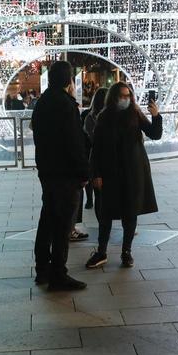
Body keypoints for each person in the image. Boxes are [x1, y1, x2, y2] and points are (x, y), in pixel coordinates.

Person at [85, 83, 163, 269]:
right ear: (113, 97)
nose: (125, 99)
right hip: (110, 172)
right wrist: (96, 174)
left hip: (133, 171)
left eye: (128, 96)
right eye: (122, 96)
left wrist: (156, 116)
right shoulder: (104, 117)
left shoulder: (135, 113)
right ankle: (101, 251)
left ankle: (126, 252)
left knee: (130, 211)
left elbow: (155, 134)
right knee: (105, 213)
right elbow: (97, 148)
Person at [30, 60, 89, 291]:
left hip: (48, 171)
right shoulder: (65, 104)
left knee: (47, 220)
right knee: (63, 224)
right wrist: (83, 172)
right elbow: (74, 142)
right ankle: (58, 274)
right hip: (65, 174)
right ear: (68, 80)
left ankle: (42, 269)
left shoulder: (42, 102)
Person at [81, 88, 108, 206]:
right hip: (99, 153)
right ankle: (92, 201)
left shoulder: (86, 114)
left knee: (92, 177)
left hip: (89, 152)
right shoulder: (107, 116)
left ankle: (89, 200)